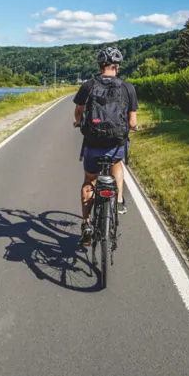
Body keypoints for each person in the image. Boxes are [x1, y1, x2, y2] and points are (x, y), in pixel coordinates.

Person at [73, 46, 138, 245]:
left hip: (93, 142)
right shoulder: (128, 88)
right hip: (115, 143)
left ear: (100, 65)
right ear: (117, 66)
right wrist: (132, 127)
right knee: (117, 164)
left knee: (89, 180)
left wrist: (78, 122)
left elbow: (78, 111)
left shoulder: (88, 86)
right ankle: (118, 201)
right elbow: (132, 121)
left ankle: (86, 223)